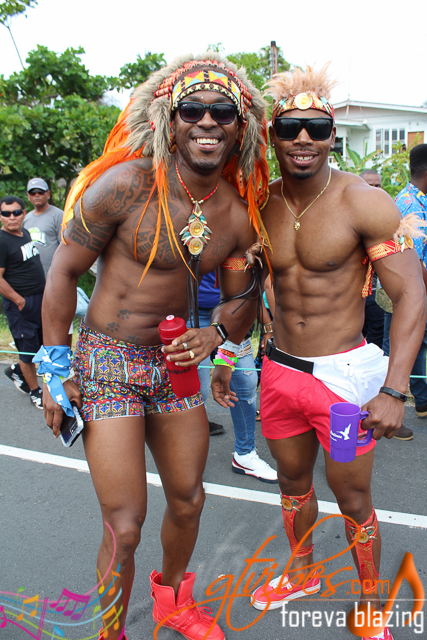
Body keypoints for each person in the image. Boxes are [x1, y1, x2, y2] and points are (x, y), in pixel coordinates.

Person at [39, 53, 269, 640]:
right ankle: (110, 631)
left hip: (174, 366)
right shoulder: (125, 186)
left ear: (240, 127)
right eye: (192, 110)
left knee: (189, 500)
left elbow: (242, 303)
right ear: (169, 119)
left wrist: (217, 337)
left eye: (223, 112)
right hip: (106, 362)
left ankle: (172, 601)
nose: (207, 122)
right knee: (126, 523)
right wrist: (53, 367)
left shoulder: (236, 216)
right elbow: (63, 272)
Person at [212, 66, 425, 640]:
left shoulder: (365, 202)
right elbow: (249, 294)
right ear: (273, 136)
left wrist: (394, 390)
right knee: (291, 482)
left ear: (333, 135)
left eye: (315, 127)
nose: (302, 138)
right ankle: (302, 571)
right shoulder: (259, 203)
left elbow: (412, 295)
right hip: (280, 371)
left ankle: (371, 602)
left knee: (352, 495)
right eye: (289, 128)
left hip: (343, 381)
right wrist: (227, 356)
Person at [196, 273, 277, 482]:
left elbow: (253, 285)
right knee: (197, 390)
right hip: (191, 314)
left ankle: (245, 454)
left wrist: (267, 325)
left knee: (245, 382)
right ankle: (187, 460)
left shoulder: (243, 251)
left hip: (232, 313)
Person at [383, 144, 427, 422]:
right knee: (398, 347)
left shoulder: (420, 200)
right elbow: (415, 262)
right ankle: (389, 407)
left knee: (416, 345)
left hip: (416, 290)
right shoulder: (409, 204)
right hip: (405, 291)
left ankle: (421, 402)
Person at [0, 196, 45, 408]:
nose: (12, 217)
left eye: (16, 212)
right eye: (6, 213)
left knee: (40, 345)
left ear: (24, 213)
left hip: (39, 299)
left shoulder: (24, 233)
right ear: (0, 216)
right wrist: (19, 301)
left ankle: (17, 371)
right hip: (21, 304)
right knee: (27, 351)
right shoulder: (2, 241)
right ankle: (35, 392)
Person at [24, 177, 63, 276]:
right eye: (33, 192)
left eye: (40, 192)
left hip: (54, 274)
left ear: (48, 194)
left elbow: (65, 245)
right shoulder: (25, 218)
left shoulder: (58, 215)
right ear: (28, 196)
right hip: (32, 276)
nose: (37, 195)